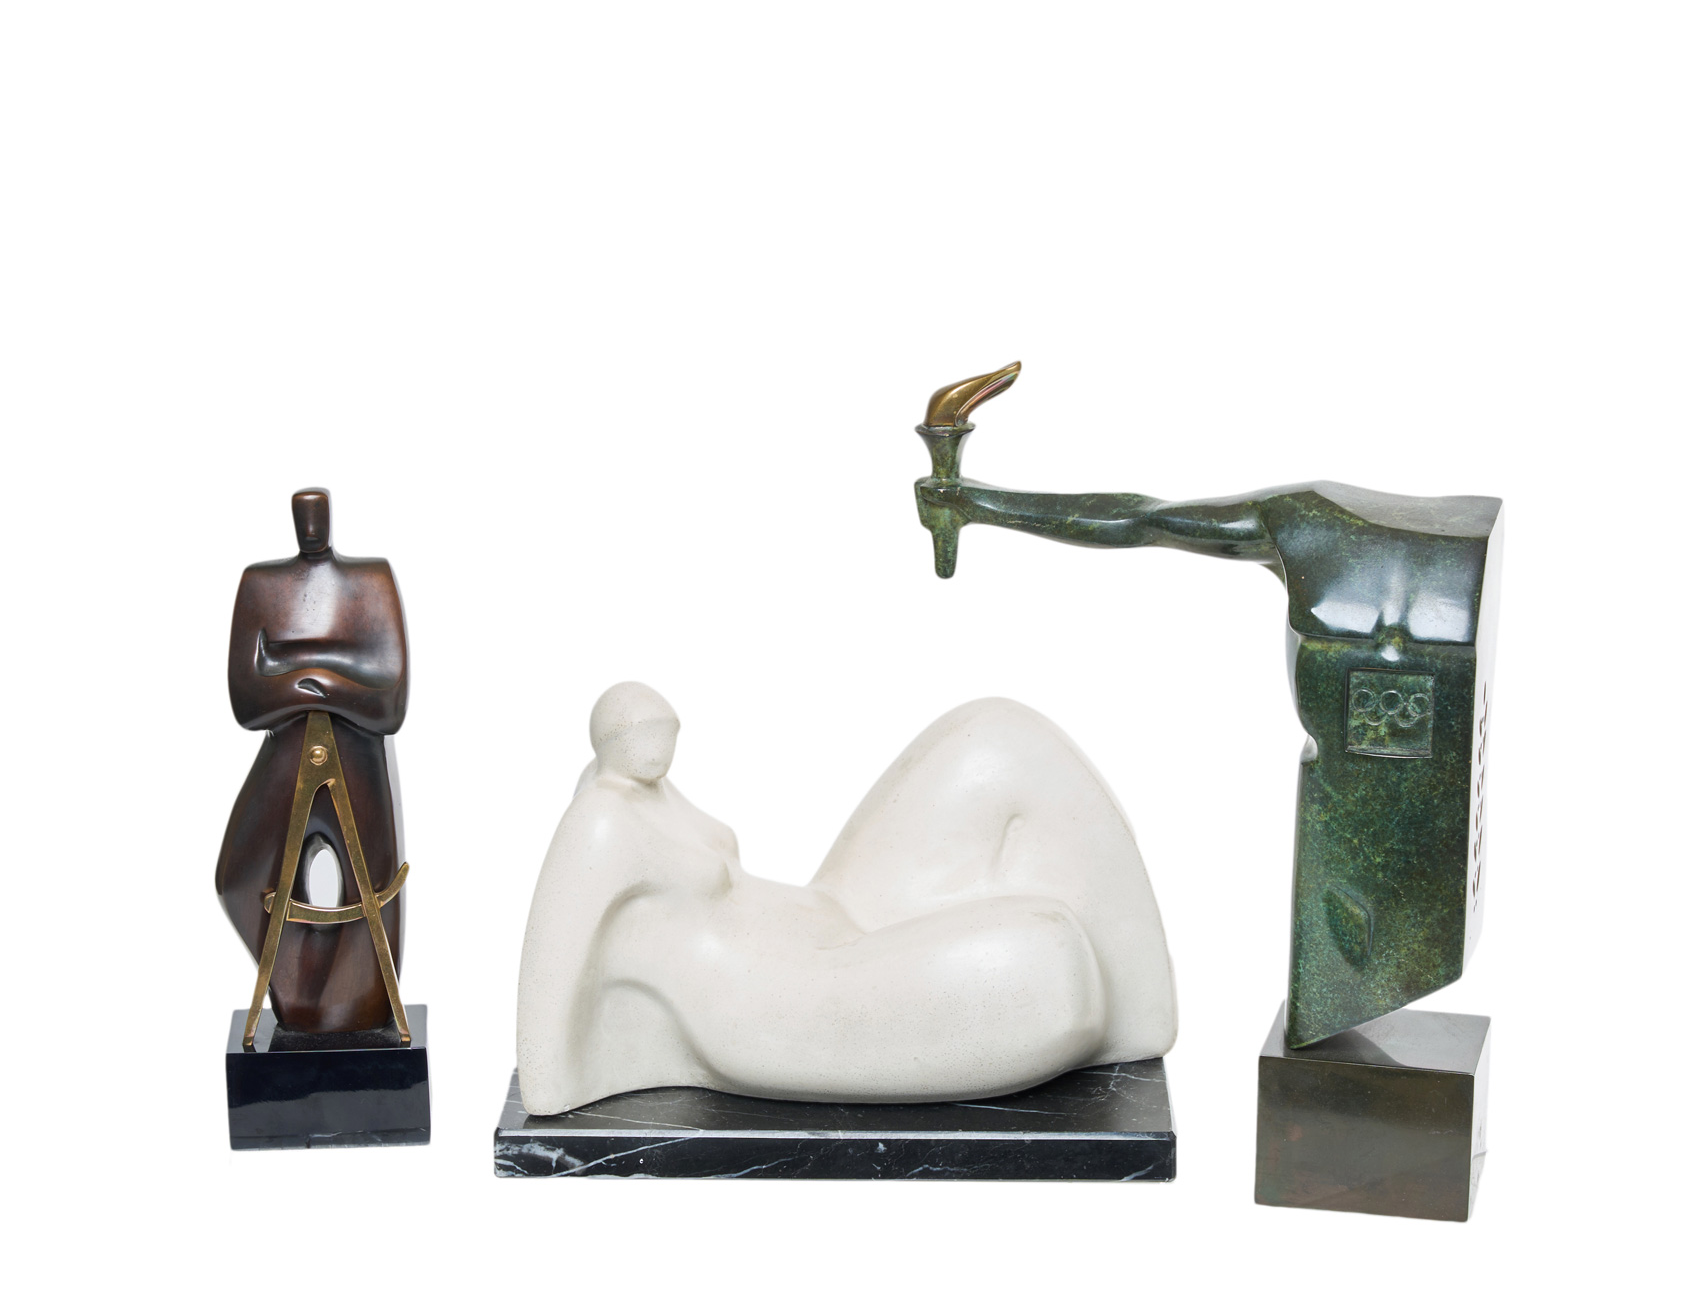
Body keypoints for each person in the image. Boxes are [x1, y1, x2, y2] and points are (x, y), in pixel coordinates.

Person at [917, 469, 1503, 1045]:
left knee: (1374, 932)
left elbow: (1145, 517)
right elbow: (1143, 517)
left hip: (1395, 832)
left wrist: (977, 502)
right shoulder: (1305, 520)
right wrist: (979, 502)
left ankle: (1353, 988)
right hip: (1375, 824)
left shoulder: (1304, 518)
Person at [516, 683, 1175, 1115]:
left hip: (830, 916)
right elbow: (556, 955)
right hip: (779, 1002)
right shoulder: (601, 821)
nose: (660, 746)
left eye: (667, 732)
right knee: (1049, 963)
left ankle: (1143, 1017)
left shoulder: (653, 793)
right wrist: (548, 1094)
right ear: (614, 742)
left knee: (999, 735)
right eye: (645, 735)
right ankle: (1130, 1017)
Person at [216, 490, 408, 1034]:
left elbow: (390, 703)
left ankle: (360, 1007)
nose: (311, 526)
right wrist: (343, 676)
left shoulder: (370, 581)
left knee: (371, 896)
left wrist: (297, 670)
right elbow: (248, 702)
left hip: (359, 764)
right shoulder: (261, 585)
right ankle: (301, 996)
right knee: (238, 881)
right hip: (286, 757)